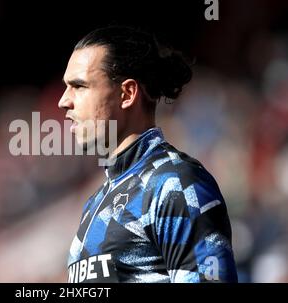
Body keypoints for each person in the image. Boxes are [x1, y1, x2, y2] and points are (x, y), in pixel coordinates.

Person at [58, 25, 238, 283]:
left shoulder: (175, 183)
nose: (64, 101)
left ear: (127, 93)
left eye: (79, 86)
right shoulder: (95, 203)